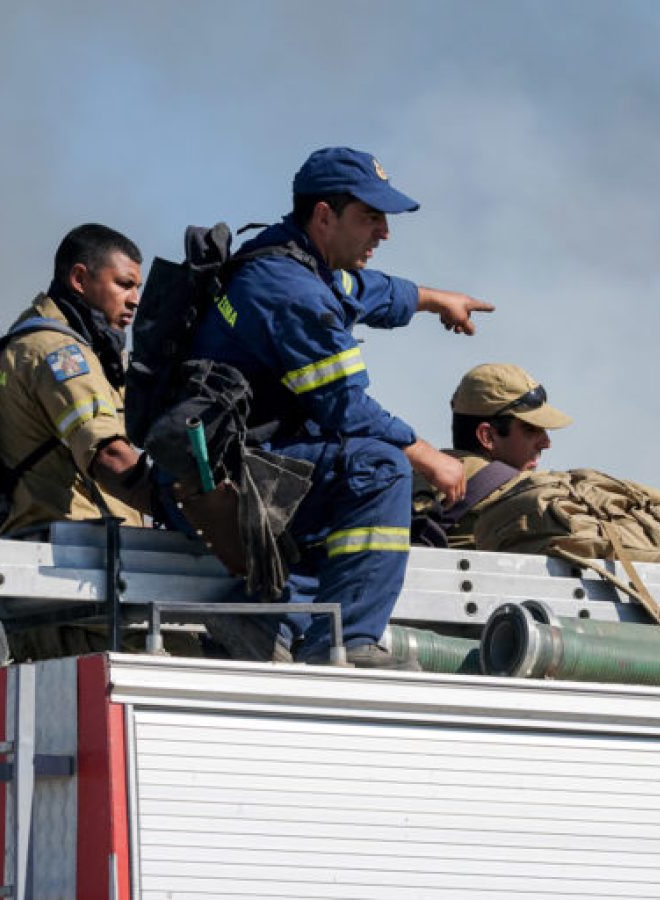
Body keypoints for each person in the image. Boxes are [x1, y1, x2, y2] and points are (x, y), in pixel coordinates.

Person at [188, 146, 493, 668]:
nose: (385, 232)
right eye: (370, 217)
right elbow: (347, 409)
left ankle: (268, 622)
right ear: (325, 216)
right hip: (237, 479)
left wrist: (434, 298)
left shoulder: (290, 258)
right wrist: (432, 459)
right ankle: (346, 642)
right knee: (379, 467)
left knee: (346, 466)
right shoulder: (290, 292)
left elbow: (364, 291)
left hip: (243, 462)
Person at [0, 223, 162, 658]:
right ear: (79, 279)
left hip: (78, 575)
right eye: (124, 284)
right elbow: (108, 454)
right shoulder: (58, 352)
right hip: (72, 579)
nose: (135, 299)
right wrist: (187, 509)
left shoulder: (72, 346)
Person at [412, 363, 572, 548]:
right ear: (487, 436)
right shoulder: (515, 492)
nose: (546, 443)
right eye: (530, 429)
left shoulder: (421, 474)